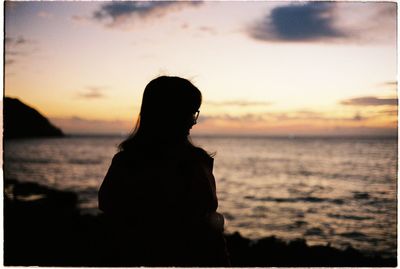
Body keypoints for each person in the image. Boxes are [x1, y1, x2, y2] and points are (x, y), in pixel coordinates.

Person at [98, 76, 230, 266]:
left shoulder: (126, 162)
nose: (193, 122)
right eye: (189, 113)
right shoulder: (195, 163)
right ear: (168, 115)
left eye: (195, 113)